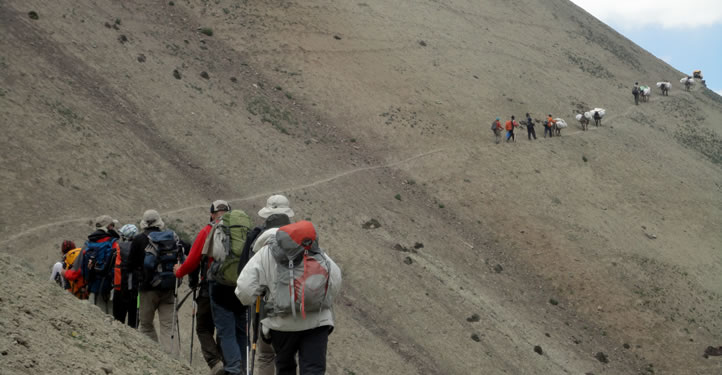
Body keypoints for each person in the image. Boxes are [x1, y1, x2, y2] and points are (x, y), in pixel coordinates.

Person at [236, 221, 342, 375]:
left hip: (282, 324)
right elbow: (336, 279)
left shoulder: (265, 252)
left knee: (285, 368)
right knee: (314, 369)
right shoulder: (314, 250)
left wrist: (260, 293)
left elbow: (244, 290)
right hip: (318, 322)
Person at [174, 201, 227, 374]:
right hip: (231, 289)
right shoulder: (236, 232)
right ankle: (227, 363)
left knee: (203, 327)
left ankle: (215, 363)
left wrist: (179, 272)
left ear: (212, 214)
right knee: (224, 327)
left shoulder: (206, 232)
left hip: (208, 287)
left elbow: (192, 261)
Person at [245, 195, 296, 375]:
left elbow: (249, 276)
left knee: (266, 355)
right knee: (288, 357)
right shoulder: (298, 237)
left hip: (265, 304)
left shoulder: (259, 237)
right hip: (294, 306)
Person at [202, 200, 249, 375]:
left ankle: (233, 369)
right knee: (241, 331)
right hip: (242, 287)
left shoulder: (218, 229)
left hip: (221, 287)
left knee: (226, 331)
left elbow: (213, 254)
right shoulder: (246, 232)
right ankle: (244, 368)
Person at [130, 209, 183, 355]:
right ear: (159, 222)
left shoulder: (139, 239)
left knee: (146, 325)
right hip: (170, 288)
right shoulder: (171, 237)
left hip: (147, 290)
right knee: (168, 326)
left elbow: (131, 265)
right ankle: (174, 363)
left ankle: (156, 359)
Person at [69, 215, 120, 314]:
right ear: (109, 227)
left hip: (91, 288)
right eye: (112, 225)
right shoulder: (114, 243)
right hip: (109, 289)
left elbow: (77, 268)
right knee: (110, 318)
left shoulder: (88, 244)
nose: (114, 228)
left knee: (95, 317)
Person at [113, 224, 140, 328]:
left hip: (119, 289)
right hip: (136, 291)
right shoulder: (141, 248)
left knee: (118, 322)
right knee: (133, 323)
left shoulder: (118, 247)